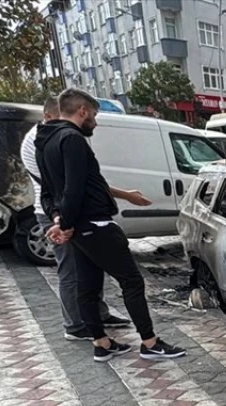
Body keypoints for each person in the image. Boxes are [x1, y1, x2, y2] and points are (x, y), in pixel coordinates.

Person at [35, 89, 186, 362]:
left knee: (88, 285)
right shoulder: (72, 139)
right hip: (95, 223)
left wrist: (59, 219)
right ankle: (150, 342)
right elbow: (75, 188)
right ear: (82, 111)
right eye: (93, 114)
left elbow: (48, 192)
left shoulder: (45, 141)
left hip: (78, 228)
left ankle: (101, 343)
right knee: (131, 280)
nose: (95, 121)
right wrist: (65, 223)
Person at [20, 97, 133, 341]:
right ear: (52, 116)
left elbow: (84, 181)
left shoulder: (57, 137)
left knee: (89, 269)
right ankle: (75, 324)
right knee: (71, 271)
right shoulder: (47, 140)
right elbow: (66, 186)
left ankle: (98, 316)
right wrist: (64, 224)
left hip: (67, 212)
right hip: (57, 213)